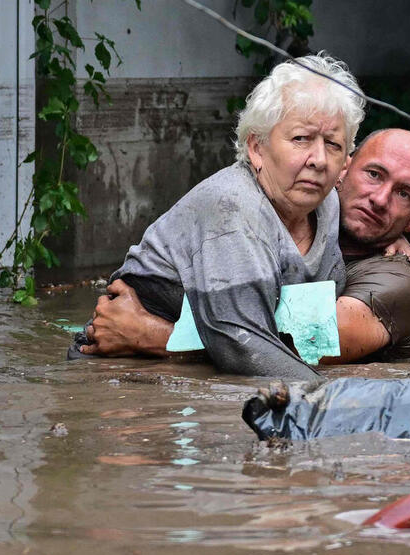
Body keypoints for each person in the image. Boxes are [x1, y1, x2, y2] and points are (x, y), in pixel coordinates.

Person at [71, 53, 364, 379]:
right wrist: (338, 401)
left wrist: (398, 242)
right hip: (121, 373)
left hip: (182, 359)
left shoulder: (327, 206)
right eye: (301, 139)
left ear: (345, 165)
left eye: (333, 145)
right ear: (257, 148)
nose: (319, 159)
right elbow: (243, 346)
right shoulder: (233, 207)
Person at [77, 128, 410, 364]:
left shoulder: (399, 284)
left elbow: (297, 347)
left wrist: (150, 335)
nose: (379, 199)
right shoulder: (277, 218)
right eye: (373, 174)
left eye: (403, 194)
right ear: (341, 169)